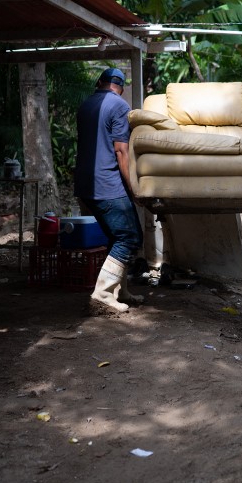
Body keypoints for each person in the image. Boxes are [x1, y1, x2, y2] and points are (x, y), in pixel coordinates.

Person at [74, 67, 144, 312]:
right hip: (108, 184)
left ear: (99, 82)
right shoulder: (119, 107)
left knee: (117, 237)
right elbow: (121, 151)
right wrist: (133, 188)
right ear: (121, 87)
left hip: (85, 186)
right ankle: (103, 294)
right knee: (128, 237)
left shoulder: (86, 105)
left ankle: (120, 291)